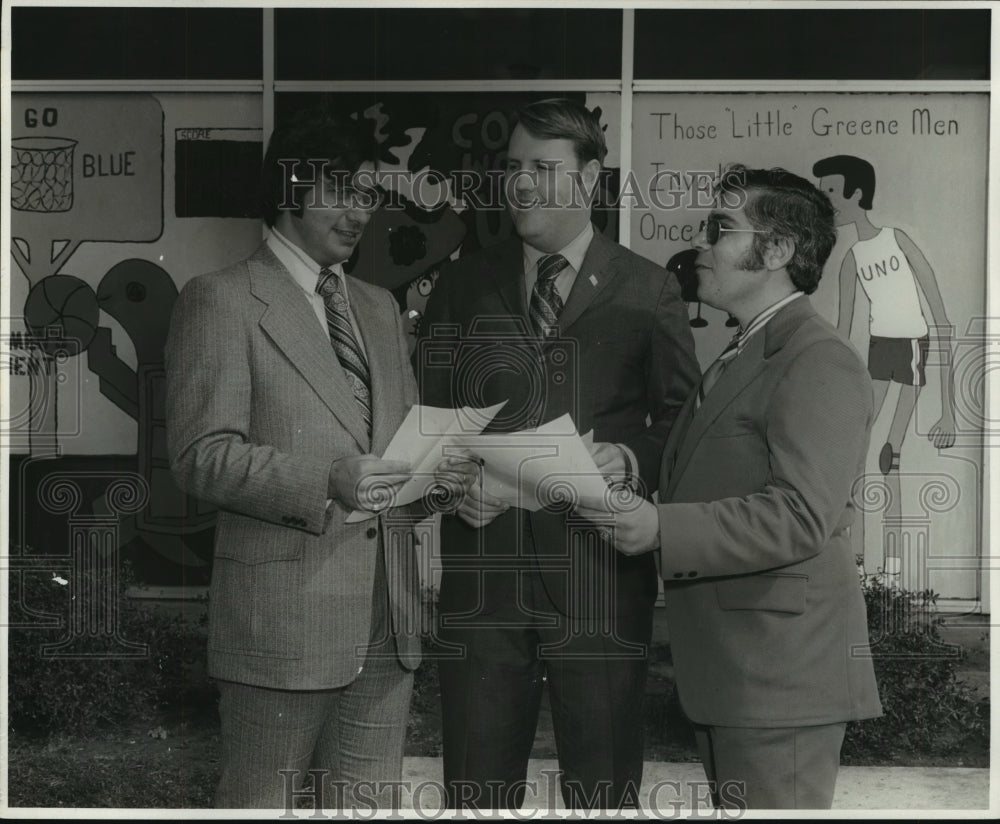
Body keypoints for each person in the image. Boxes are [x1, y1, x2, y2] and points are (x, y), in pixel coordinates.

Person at [165, 108, 474, 809]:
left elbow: (395, 460)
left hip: (386, 619)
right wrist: (325, 481)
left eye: (369, 194)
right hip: (280, 623)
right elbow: (198, 455)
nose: (359, 211)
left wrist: (440, 480)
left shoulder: (379, 308)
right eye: (342, 190)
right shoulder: (221, 301)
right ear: (288, 188)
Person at [415, 97, 699, 811]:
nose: (522, 184)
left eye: (543, 168)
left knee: (602, 790)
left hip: (600, 575)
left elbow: (683, 424)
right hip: (484, 579)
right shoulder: (462, 283)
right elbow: (432, 424)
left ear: (590, 178)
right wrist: (453, 485)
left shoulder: (649, 288)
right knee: (476, 791)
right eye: (513, 168)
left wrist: (631, 463)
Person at [576, 165, 883, 809]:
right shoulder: (746, 350)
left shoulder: (816, 358)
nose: (701, 247)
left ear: (776, 251)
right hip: (743, 676)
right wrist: (629, 466)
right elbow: (716, 469)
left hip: (781, 679)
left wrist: (661, 529)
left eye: (720, 229)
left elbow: (801, 515)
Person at [813, 154, 956, 579]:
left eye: (832, 194)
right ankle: (856, 563)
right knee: (857, 453)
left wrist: (948, 409)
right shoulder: (852, 259)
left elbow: (941, 319)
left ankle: (892, 570)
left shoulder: (897, 240)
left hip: (912, 346)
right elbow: (842, 331)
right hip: (878, 350)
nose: (828, 205)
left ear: (856, 194)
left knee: (888, 454)